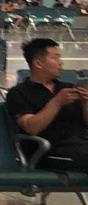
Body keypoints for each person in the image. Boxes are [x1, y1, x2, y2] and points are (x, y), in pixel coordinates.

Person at [7, 38, 88, 168]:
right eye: (55, 58)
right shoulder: (18, 94)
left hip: (81, 143)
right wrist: (57, 102)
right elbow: (31, 127)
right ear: (38, 63)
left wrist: (85, 103)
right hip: (49, 150)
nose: (61, 62)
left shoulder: (68, 88)